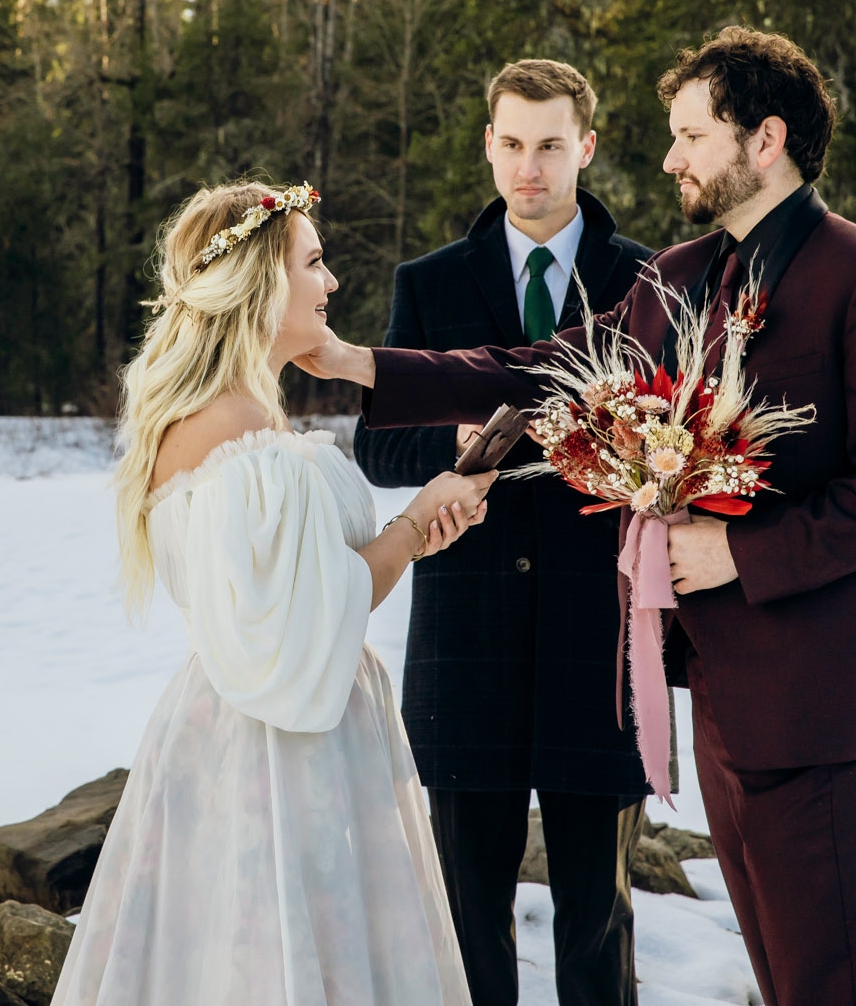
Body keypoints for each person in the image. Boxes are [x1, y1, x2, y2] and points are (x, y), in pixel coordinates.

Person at [297, 28, 856, 1006]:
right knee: (790, 983)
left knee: (842, 986)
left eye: (690, 135)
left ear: (763, 139)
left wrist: (740, 550)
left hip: (825, 702)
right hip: (726, 705)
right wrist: (360, 363)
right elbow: (546, 370)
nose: (669, 157)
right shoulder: (684, 273)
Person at [55, 180, 497, 1006]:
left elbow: (303, 595)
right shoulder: (236, 426)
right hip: (280, 748)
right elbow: (312, 619)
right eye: (314, 262)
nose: (331, 284)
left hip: (243, 719)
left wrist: (418, 526)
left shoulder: (237, 410)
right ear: (259, 279)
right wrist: (414, 523)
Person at [353, 59, 656, 1006]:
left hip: (597, 643)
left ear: (587, 148)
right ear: (489, 144)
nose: (530, 167)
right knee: (464, 911)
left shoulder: (646, 278)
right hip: (465, 641)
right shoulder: (429, 283)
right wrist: (447, 438)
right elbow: (377, 443)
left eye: (551, 145)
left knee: (596, 917)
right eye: (513, 144)